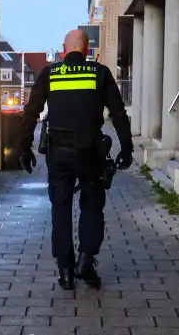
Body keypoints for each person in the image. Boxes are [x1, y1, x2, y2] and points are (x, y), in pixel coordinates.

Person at [18, 30, 134, 290]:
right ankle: (85, 259)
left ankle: (65, 271)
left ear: (64, 49)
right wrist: (126, 147)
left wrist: (23, 148)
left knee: (60, 208)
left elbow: (31, 112)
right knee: (92, 205)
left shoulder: (50, 74)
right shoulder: (99, 73)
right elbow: (118, 113)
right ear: (87, 49)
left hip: (58, 153)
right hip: (91, 152)